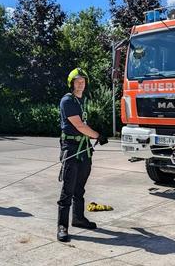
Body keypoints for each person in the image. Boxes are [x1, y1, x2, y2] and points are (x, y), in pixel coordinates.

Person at [57, 68, 108, 242]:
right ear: (71, 83)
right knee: (68, 189)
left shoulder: (81, 100)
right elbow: (79, 126)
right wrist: (98, 136)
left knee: (80, 187)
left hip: (84, 148)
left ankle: (78, 218)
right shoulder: (67, 101)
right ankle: (62, 225)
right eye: (77, 81)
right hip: (71, 147)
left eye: (83, 80)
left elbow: (83, 125)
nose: (81, 83)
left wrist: (92, 137)